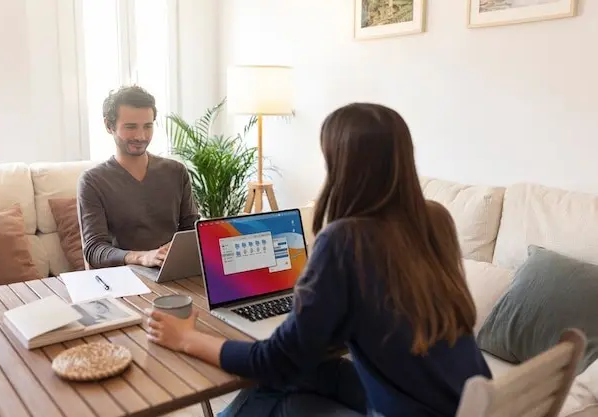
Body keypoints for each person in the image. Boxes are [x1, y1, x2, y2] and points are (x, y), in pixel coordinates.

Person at [145, 103, 492, 416]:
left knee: (279, 390)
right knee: (305, 373)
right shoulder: (434, 219)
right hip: (462, 401)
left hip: (407, 410)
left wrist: (187, 338)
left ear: (343, 165)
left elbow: (274, 360)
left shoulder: (345, 240)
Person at [77, 85, 200, 269]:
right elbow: (94, 250)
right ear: (109, 126)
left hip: (171, 271)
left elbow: (192, 230)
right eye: (130, 127)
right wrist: (142, 257)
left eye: (147, 126)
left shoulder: (176, 172)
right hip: (123, 276)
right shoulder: (92, 182)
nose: (141, 136)